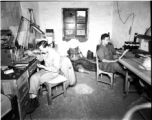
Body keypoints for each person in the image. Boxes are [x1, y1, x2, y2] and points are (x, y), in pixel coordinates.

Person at [25, 40, 62, 113]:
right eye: (40, 49)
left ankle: (33, 100)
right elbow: (41, 58)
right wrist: (33, 54)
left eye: (41, 49)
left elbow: (55, 69)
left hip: (53, 72)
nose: (41, 51)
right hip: (46, 69)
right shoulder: (45, 51)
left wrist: (43, 67)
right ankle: (34, 98)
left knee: (38, 80)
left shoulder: (55, 54)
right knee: (33, 78)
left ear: (47, 47)